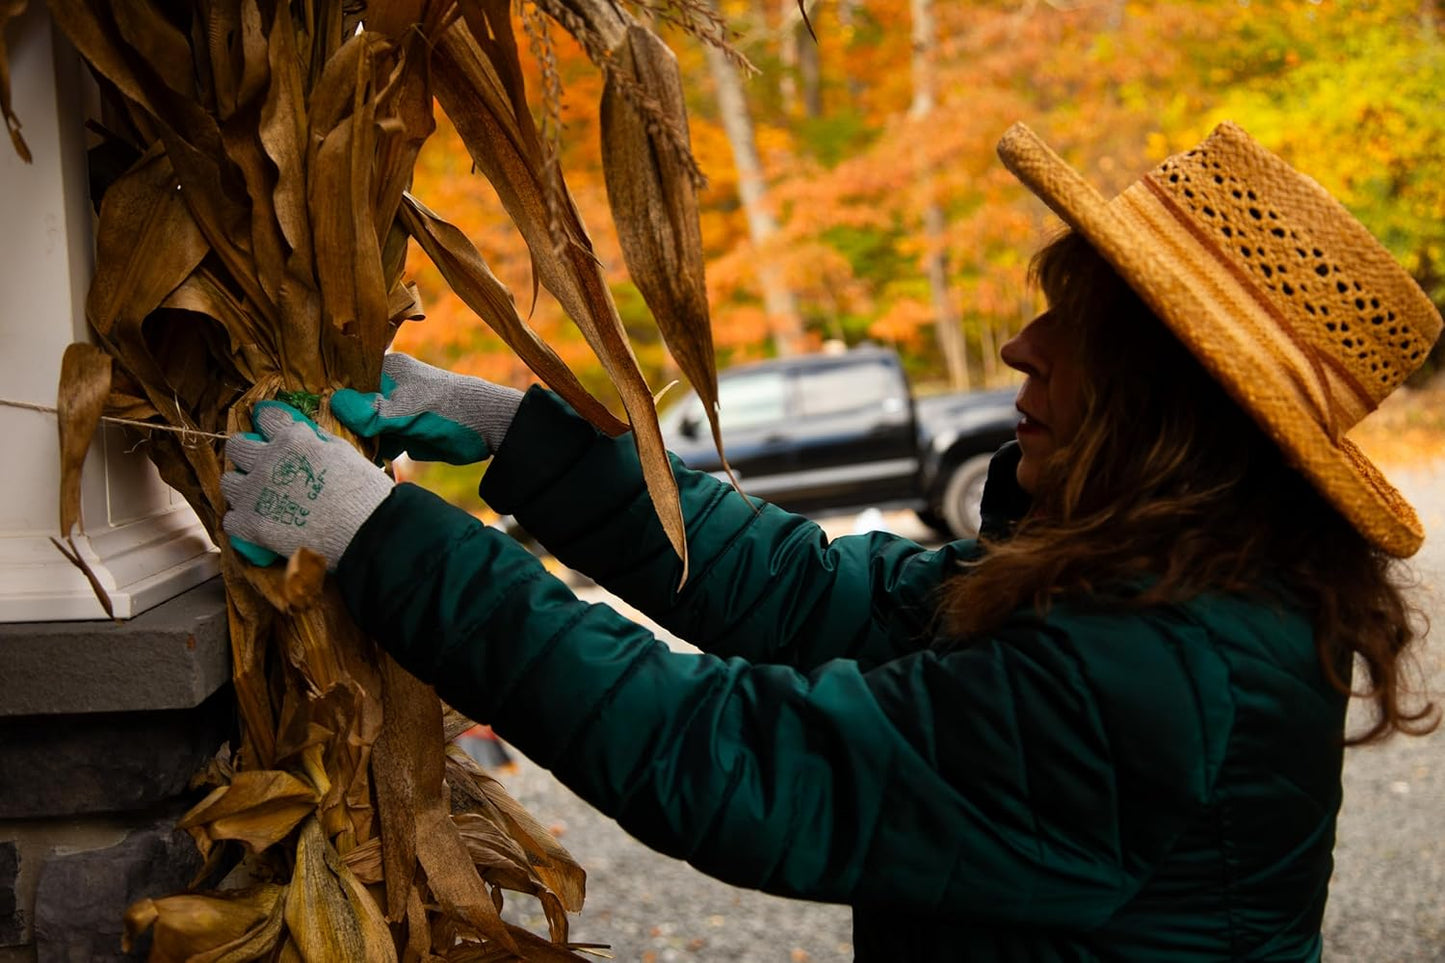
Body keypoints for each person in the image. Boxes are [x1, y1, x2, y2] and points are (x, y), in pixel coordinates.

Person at [221, 122, 1442, 960]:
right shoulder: (1150, 586)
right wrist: (510, 433)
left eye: (1066, 322)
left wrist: (377, 534)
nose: (1017, 346)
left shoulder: (1152, 663)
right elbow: (807, 593)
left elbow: (736, 758)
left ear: (1162, 397)